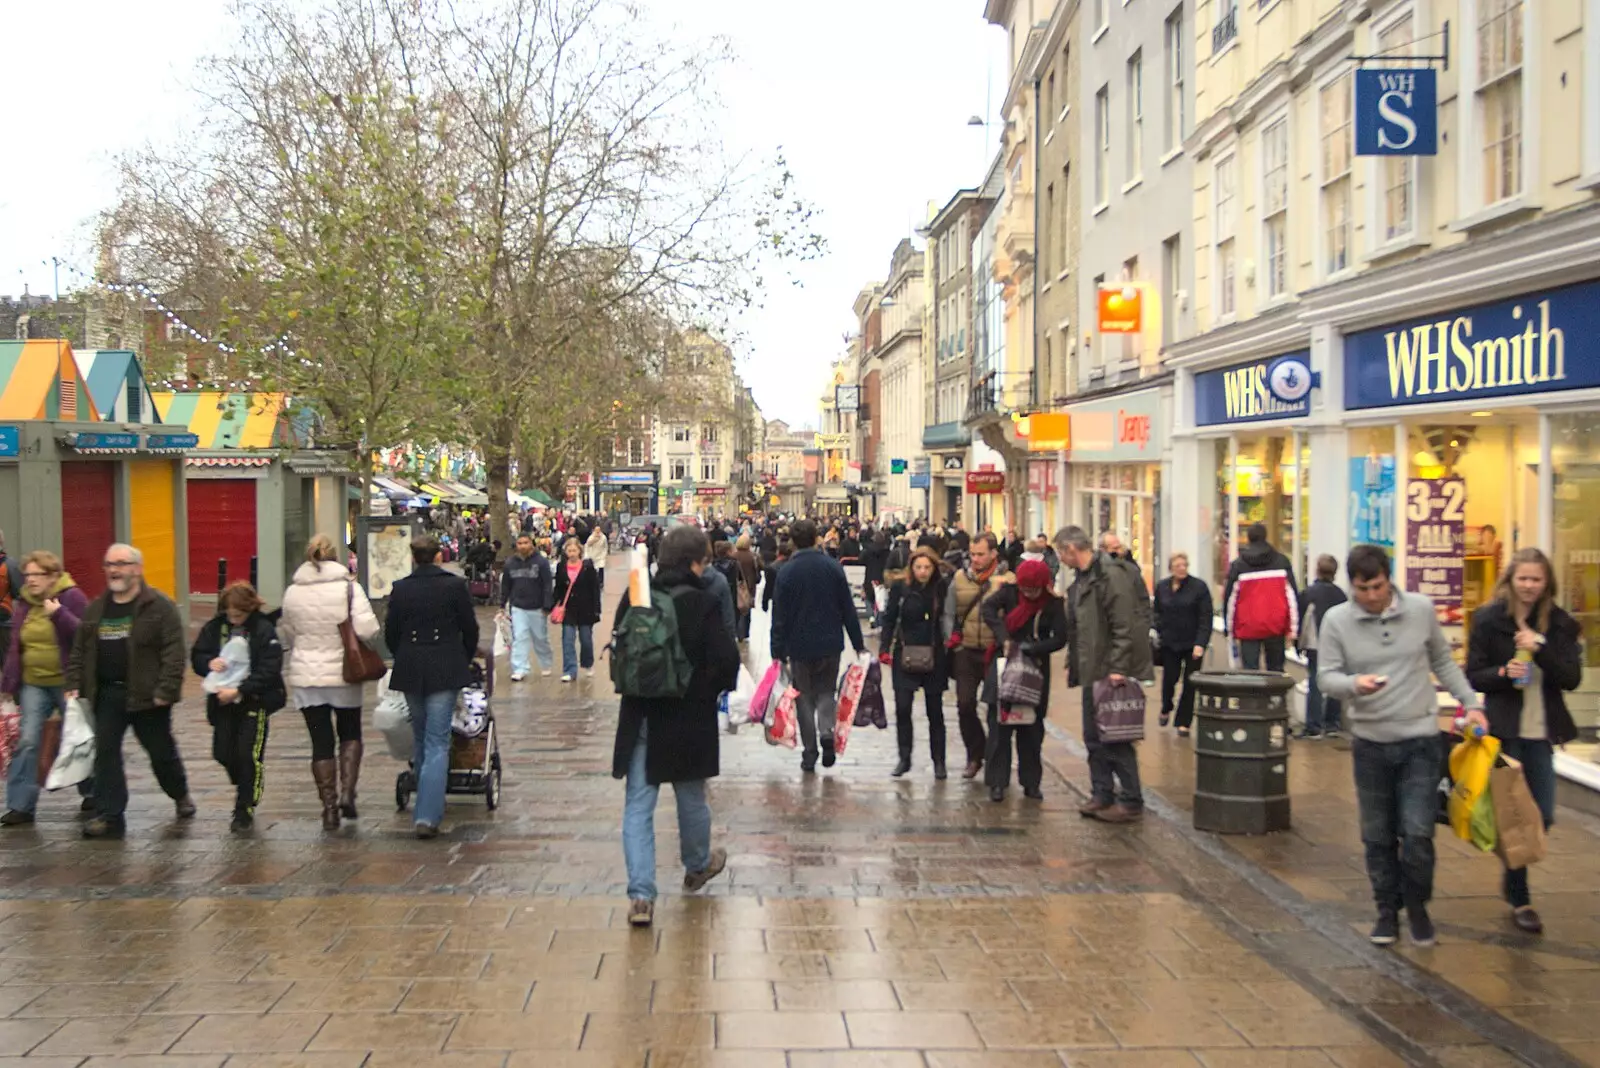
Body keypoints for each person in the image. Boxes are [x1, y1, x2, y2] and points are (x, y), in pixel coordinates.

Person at [1318, 544, 1484, 948]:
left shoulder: (1421, 610)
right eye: (1362, 588)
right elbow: (1325, 676)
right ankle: (1386, 912)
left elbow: (1442, 661)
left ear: (1389, 579)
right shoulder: (1336, 621)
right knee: (1377, 835)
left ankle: (1418, 905)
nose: (1371, 596)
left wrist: (1471, 703)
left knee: (1417, 834)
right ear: (1351, 585)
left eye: (1376, 586)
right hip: (1371, 743)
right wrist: (1353, 684)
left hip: (1420, 741)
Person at [612, 526, 739, 927]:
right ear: (695, 562)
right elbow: (727, 661)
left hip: (641, 715)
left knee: (638, 805)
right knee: (691, 798)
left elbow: (619, 648)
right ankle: (698, 864)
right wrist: (706, 690)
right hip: (689, 716)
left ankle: (641, 895)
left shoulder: (637, 592)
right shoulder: (703, 601)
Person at [1466, 548, 1583, 936]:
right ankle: (1521, 898)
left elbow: (1571, 678)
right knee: (1514, 817)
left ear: (1547, 581)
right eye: (1523, 578)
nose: (1530, 586)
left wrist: (1541, 649)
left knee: (1543, 815)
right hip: (1506, 733)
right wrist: (1504, 671)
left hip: (1542, 733)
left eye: (1537, 579)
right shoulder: (1488, 620)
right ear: (1510, 579)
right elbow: (1475, 676)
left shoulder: (1561, 624)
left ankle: (1511, 872)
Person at [67, 544, 194, 839]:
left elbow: (174, 653)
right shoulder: (96, 608)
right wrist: (74, 684)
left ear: (137, 568)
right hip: (108, 694)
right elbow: (80, 651)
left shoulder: (159, 607)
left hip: (148, 697)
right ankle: (110, 815)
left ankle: (180, 794)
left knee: (161, 753)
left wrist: (166, 689)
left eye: (121, 564)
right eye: (109, 564)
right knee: (106, 753)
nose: (114, 570)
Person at [278, 534, 380, 830]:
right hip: (344, 673)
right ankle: (348, 792)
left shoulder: (293, 592)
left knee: (320, 742)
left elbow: (288, 632)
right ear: (335, 557)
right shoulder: (349, 588)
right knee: (350, 731)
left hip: (307, 676)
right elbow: (366, 629)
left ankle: (329, 807)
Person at [385, 536, 478, 839]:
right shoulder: (454, 586)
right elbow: (470, 628)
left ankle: (427, 799)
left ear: (414, 557)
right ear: (438, 555)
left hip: (412, 666)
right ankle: (427, 813)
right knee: (438, 740)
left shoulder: (401, 588)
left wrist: (404, 655)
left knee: (422, 736)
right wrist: (462, 657)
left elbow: (392, 632)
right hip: (445, 665)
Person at [1056, 525, 1150, 823]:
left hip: (1109, 669)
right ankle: (1102, 793)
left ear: (1072, 549)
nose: (1060, 559)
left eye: (1061, 552)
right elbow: (1081, 625)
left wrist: (1119, 667)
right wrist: (1074, 657)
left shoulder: (1110, 575)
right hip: (1091, 667)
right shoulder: (1084, 577)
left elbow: (1124, 624)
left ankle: (1131, 799)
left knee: (1117, 736)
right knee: (1093, 736)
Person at [0, 552, 91, 826]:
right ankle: (20, 805)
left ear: (52, 575)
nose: (30, 580)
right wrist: (8, 684)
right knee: (27, 740)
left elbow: (86, 634)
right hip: (34, 682)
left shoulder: (72, 597)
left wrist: (59, 614)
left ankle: (94, 793)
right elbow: (17, 645)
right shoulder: (24, 602)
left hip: (66, 680)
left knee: (80, 737)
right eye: (27, 575)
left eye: (36, 575)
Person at [770, 519, 867, 773]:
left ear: (792, 541)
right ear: (816, 538)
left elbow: (779, 616)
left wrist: (776, 650)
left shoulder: (787, 572)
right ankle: (827, 731)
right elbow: (848, 609)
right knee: (826, 692)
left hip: (799, 646)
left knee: (803, 698)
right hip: (829, 643)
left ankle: (810, 751)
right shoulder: (832, 567)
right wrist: (858, 644)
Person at [191, 582, 285, 833]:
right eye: (231, 614)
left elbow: (270, 668)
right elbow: (198, 655)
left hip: (253, 701)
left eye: (239, 615)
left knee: (248, 754)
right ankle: (244, 779)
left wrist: (241, 690)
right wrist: (209, 663)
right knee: (222, 752)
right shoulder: (215, 628)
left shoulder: (263, 630)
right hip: (222, 702)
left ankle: (245, 806)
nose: (234, 619)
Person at [980, 558, 1068, 802]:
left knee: (1031, 729)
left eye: (1033, 589)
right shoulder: (1009, 594)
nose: (1028, 593)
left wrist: (1032, 648)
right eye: (1025, 588)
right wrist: (1003, 637)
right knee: (999, 727)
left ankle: (1031, 782)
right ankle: (997, 781)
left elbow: (1061, 638)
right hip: (1005, 665)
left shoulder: (1053, 604)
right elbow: (987, 609)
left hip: (1034, 668)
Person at [941, 533, 1012, 780]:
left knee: (996, 710)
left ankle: (995, 763)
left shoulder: (1006, 580)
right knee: (965, 705)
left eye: (981, 554)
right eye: (972, 554)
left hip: (995, 652)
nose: (976, 559)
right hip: (967, 651)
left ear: (994, 554)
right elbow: (948, 613)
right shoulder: (959, 579)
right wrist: (952, 640)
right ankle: (975, 753)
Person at [879, 547, 948, 780]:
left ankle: (939, 761)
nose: (922, 572)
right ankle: (904, 757)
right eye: (918, 567)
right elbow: (889, 618)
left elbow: (949, 618)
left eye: (927, 567)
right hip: (905, 652)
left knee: (935, 711)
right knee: (902, 707)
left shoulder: (941, 588)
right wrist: (884, 648)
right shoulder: (900, 588)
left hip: (934, 653)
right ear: (911, 567)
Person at [1223, 523, 1299, 671]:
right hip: (1276, 624)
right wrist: (1294, 627)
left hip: (1248, 626)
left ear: (1248, 539)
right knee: (1276, 670)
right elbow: (1292, 596)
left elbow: (1230, 599)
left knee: (1250, 672)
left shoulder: (1239, 565)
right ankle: (1276, 694)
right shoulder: (1281, 562)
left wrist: (1229, 628)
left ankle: (1253, 694)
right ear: (1266, 537)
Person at [1154, 552, 1213, 737]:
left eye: (1184, 565)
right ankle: (1166, 707)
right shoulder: (1162, 587)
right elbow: (1156, 611)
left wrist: (1201, 643)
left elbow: (1206, 617)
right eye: (1178, 565)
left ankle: (1183, 722)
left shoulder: (1199, 587)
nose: (1181, 569)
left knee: (1190, 682)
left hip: (1192, 643)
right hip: (1170, 642)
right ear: (1171, 567)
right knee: (1169, 679)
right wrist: (1156, 629)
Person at [1297, 554, 1350, 739]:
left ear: (1317, 570)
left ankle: (1314, 725)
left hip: (1315, 643)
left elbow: (1300, 619)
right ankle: (1332, 723)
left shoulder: (1308, 593)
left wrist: (1298, 643)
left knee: (1315, 681)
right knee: (1335, 681)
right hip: (1337, 644)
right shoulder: (1341, 595)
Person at [500, 534, 554, 681]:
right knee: (520, 636)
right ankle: (520, 667)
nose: (523, 546)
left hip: (537, 607)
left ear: (531, 544)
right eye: (520, 543)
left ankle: (546, 663)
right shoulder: (510, 564)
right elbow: (506, 585)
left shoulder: (541, 562)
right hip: (518, 606)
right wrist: (502, 604)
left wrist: (547, 604)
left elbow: (547, 584)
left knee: (540, 638)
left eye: (526, 542)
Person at [553, 536, 602, 682]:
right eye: (569, 550)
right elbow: (559, 588)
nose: (572, 553)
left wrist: (597, 608)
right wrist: (552, 603)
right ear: (566, 551)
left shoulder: (588, 567)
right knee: (567, 640)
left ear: (579, 551)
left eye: (574, 550)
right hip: (568, 609)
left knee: (586, 639)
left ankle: (587, 663)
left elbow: (595, 589)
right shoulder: (561, 567)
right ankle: (569, 670)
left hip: (586, 609)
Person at [0, 530, 21, 675]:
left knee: (7, 666)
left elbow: (20, 593)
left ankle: (9, 695)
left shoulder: (10, 565)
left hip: (4, 625)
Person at [733, 535, 761, 642]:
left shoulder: (734, 556)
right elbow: (759, 569)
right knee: (746, 610)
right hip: (749, 586)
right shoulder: (752, 556)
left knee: (737, 608)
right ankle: (744, 634)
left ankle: (737, 632)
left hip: (737, 585)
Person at [584, 524, 610, 591]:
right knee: (594, 570)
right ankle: (593, 582)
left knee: (601, 569)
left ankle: (601, 583)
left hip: (600, 556)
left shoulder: (603, 537)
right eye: (596, 530)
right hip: (592, 556)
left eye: (599, 530)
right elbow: (587, 545)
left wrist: (604, 554)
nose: (598, 532)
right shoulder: (591, 537)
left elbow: (605, 547)